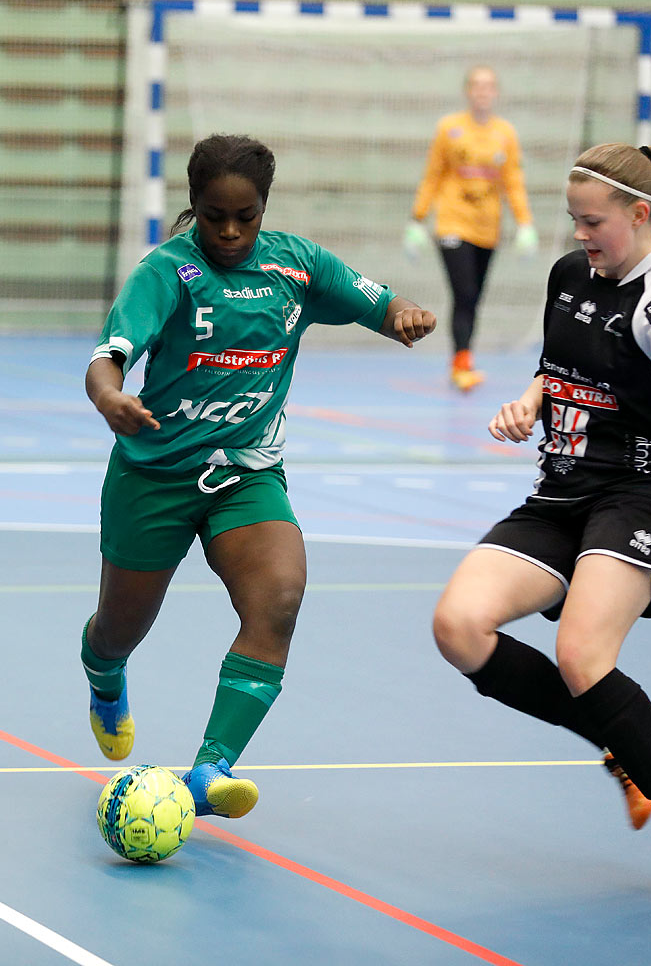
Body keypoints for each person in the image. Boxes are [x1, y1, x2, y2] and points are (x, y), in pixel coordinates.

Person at [82, 133, 436, 819]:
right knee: (120, 630)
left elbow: (380, 303)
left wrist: (404, 317)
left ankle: (210, 771)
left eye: (246, 215)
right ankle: (103, 673)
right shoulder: (167, 272)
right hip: (154, 477)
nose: (231, 230)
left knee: (278, 599)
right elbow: (109, 356)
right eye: (215, 215)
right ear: (195, 207)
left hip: (246, 476)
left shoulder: (296, 267)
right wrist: (109, 396)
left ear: (264, 207)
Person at [430, 143, 651, 902]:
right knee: (458, 625)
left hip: (637, 496)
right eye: (573, 219)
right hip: (562, 492)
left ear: (640, 215)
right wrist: (532, 400)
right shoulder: (573, 274)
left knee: (581, 655)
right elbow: (561, 364)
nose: (580, 234)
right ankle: (617, 742)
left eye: (593, 221)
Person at [405, 64, 538, 393]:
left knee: (473, 298)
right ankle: (461, 363)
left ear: (495, 92)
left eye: (489, 85)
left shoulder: (505, 134)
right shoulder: (449, 129)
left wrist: (525, 224)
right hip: (452, 223)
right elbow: (433, 174)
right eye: (477, 85)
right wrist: (417, 219)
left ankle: (463, 358)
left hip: (487, 227)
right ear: (468, 91)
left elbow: (513, 182)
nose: (483, 91)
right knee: (463, 293)